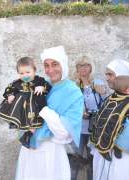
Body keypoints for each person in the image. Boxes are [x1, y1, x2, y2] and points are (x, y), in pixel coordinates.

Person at [15, 46, 84, 180]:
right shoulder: (41, 85)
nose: (50, 70)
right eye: (46, 65)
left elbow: (65, 133)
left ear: (63, 64)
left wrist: (44, 109)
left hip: (51, 152)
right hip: (29, 149)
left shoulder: (73, 92)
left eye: (55, 64)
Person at [91, 59, 129, 180]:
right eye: (106, 74)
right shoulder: (111, 98)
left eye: (110, 74)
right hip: (103, 155)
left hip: (124, 159)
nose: (107, 78)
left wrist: (114, 142)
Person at [0, 57, 51, 148]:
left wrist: (42, 87)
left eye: (28, 72)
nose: (25, 75)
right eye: (21, 73)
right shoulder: (17, 83)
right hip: (21, 108)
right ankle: (22, 131)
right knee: (22, 121)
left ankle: (28, 136)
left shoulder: (39, 80)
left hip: (34, 106)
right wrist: (10, 95)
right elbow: (9, 89)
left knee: (33, 121)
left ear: (34, 70)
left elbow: (49, 87)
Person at [72, 56, 106, 180]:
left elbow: (105, 104)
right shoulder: (73, 85)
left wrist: (102, 91)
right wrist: (79, 112)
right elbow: (69, 106)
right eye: (80, 65)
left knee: (92, 160)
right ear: (77, 69)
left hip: (94, 128)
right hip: (78, 128)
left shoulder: (98, 83)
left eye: (86, 65)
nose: (83, 68)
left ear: (91, 67)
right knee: (76, 159)